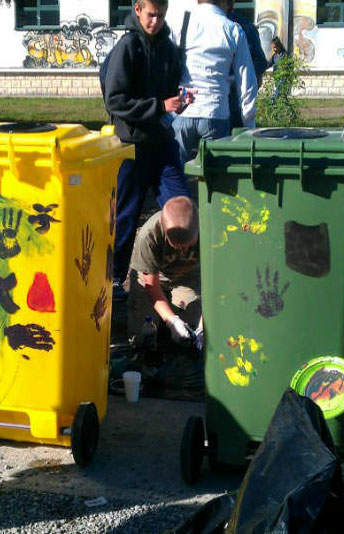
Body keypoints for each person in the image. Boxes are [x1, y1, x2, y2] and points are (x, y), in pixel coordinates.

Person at [103, 0, 193, 300]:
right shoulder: (128, 47)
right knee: (126, 216)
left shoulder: (168, 47)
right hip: (131, 145)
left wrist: (181, 98)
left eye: (161, 15)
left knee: (181, 205)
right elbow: (115, 101)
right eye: (151, 14)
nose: (156, 21)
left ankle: (178, 275)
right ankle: (114, 280)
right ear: (138, 9)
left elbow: (169, 91)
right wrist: (159, 106)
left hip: (162, 141)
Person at [170, 0, 258, 164]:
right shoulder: (232, 29)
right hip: (216, 113)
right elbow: (247, 81)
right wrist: (248, 124)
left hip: (183, 112)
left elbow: (167, 70)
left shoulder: (181, 25)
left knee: (176, 177)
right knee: (216, 180)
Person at [129, 196, 202, 347]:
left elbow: (217, 279)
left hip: (186, 278)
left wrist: (205, 322)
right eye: (176, 245)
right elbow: (151, 284)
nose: (183, 250)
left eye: (187, 245)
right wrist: (172, 320)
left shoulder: (209, 229)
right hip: (153, 278)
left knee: (192, 326)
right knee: (142, 332)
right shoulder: (149, 235)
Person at [226, 2, 267, 129]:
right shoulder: (245, 26)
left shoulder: (243, 27)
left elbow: (259, 64)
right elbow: (259, 64)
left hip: (230, 102)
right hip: (238, 103)